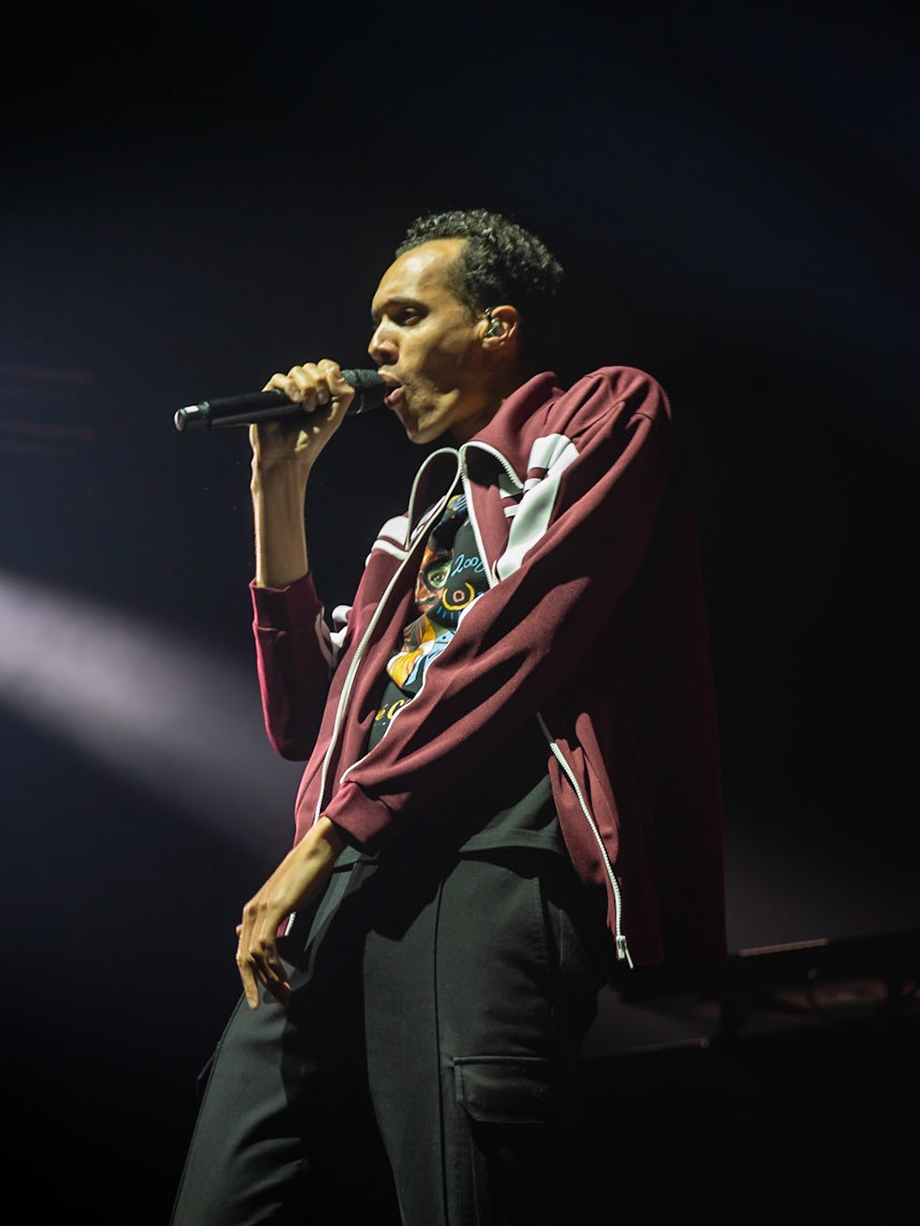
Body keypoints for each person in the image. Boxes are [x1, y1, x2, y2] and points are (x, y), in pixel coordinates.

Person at [171, 210, 726, 1224]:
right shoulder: (409, 526)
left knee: (461, 1194)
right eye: (375, 320)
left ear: (497, 328)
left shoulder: (603, 414)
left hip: (485, 864)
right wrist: (277, 481)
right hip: (342, 881)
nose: (372, 344)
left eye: (406, 314)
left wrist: (329, 831)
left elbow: (519, 636)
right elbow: (307, 717)